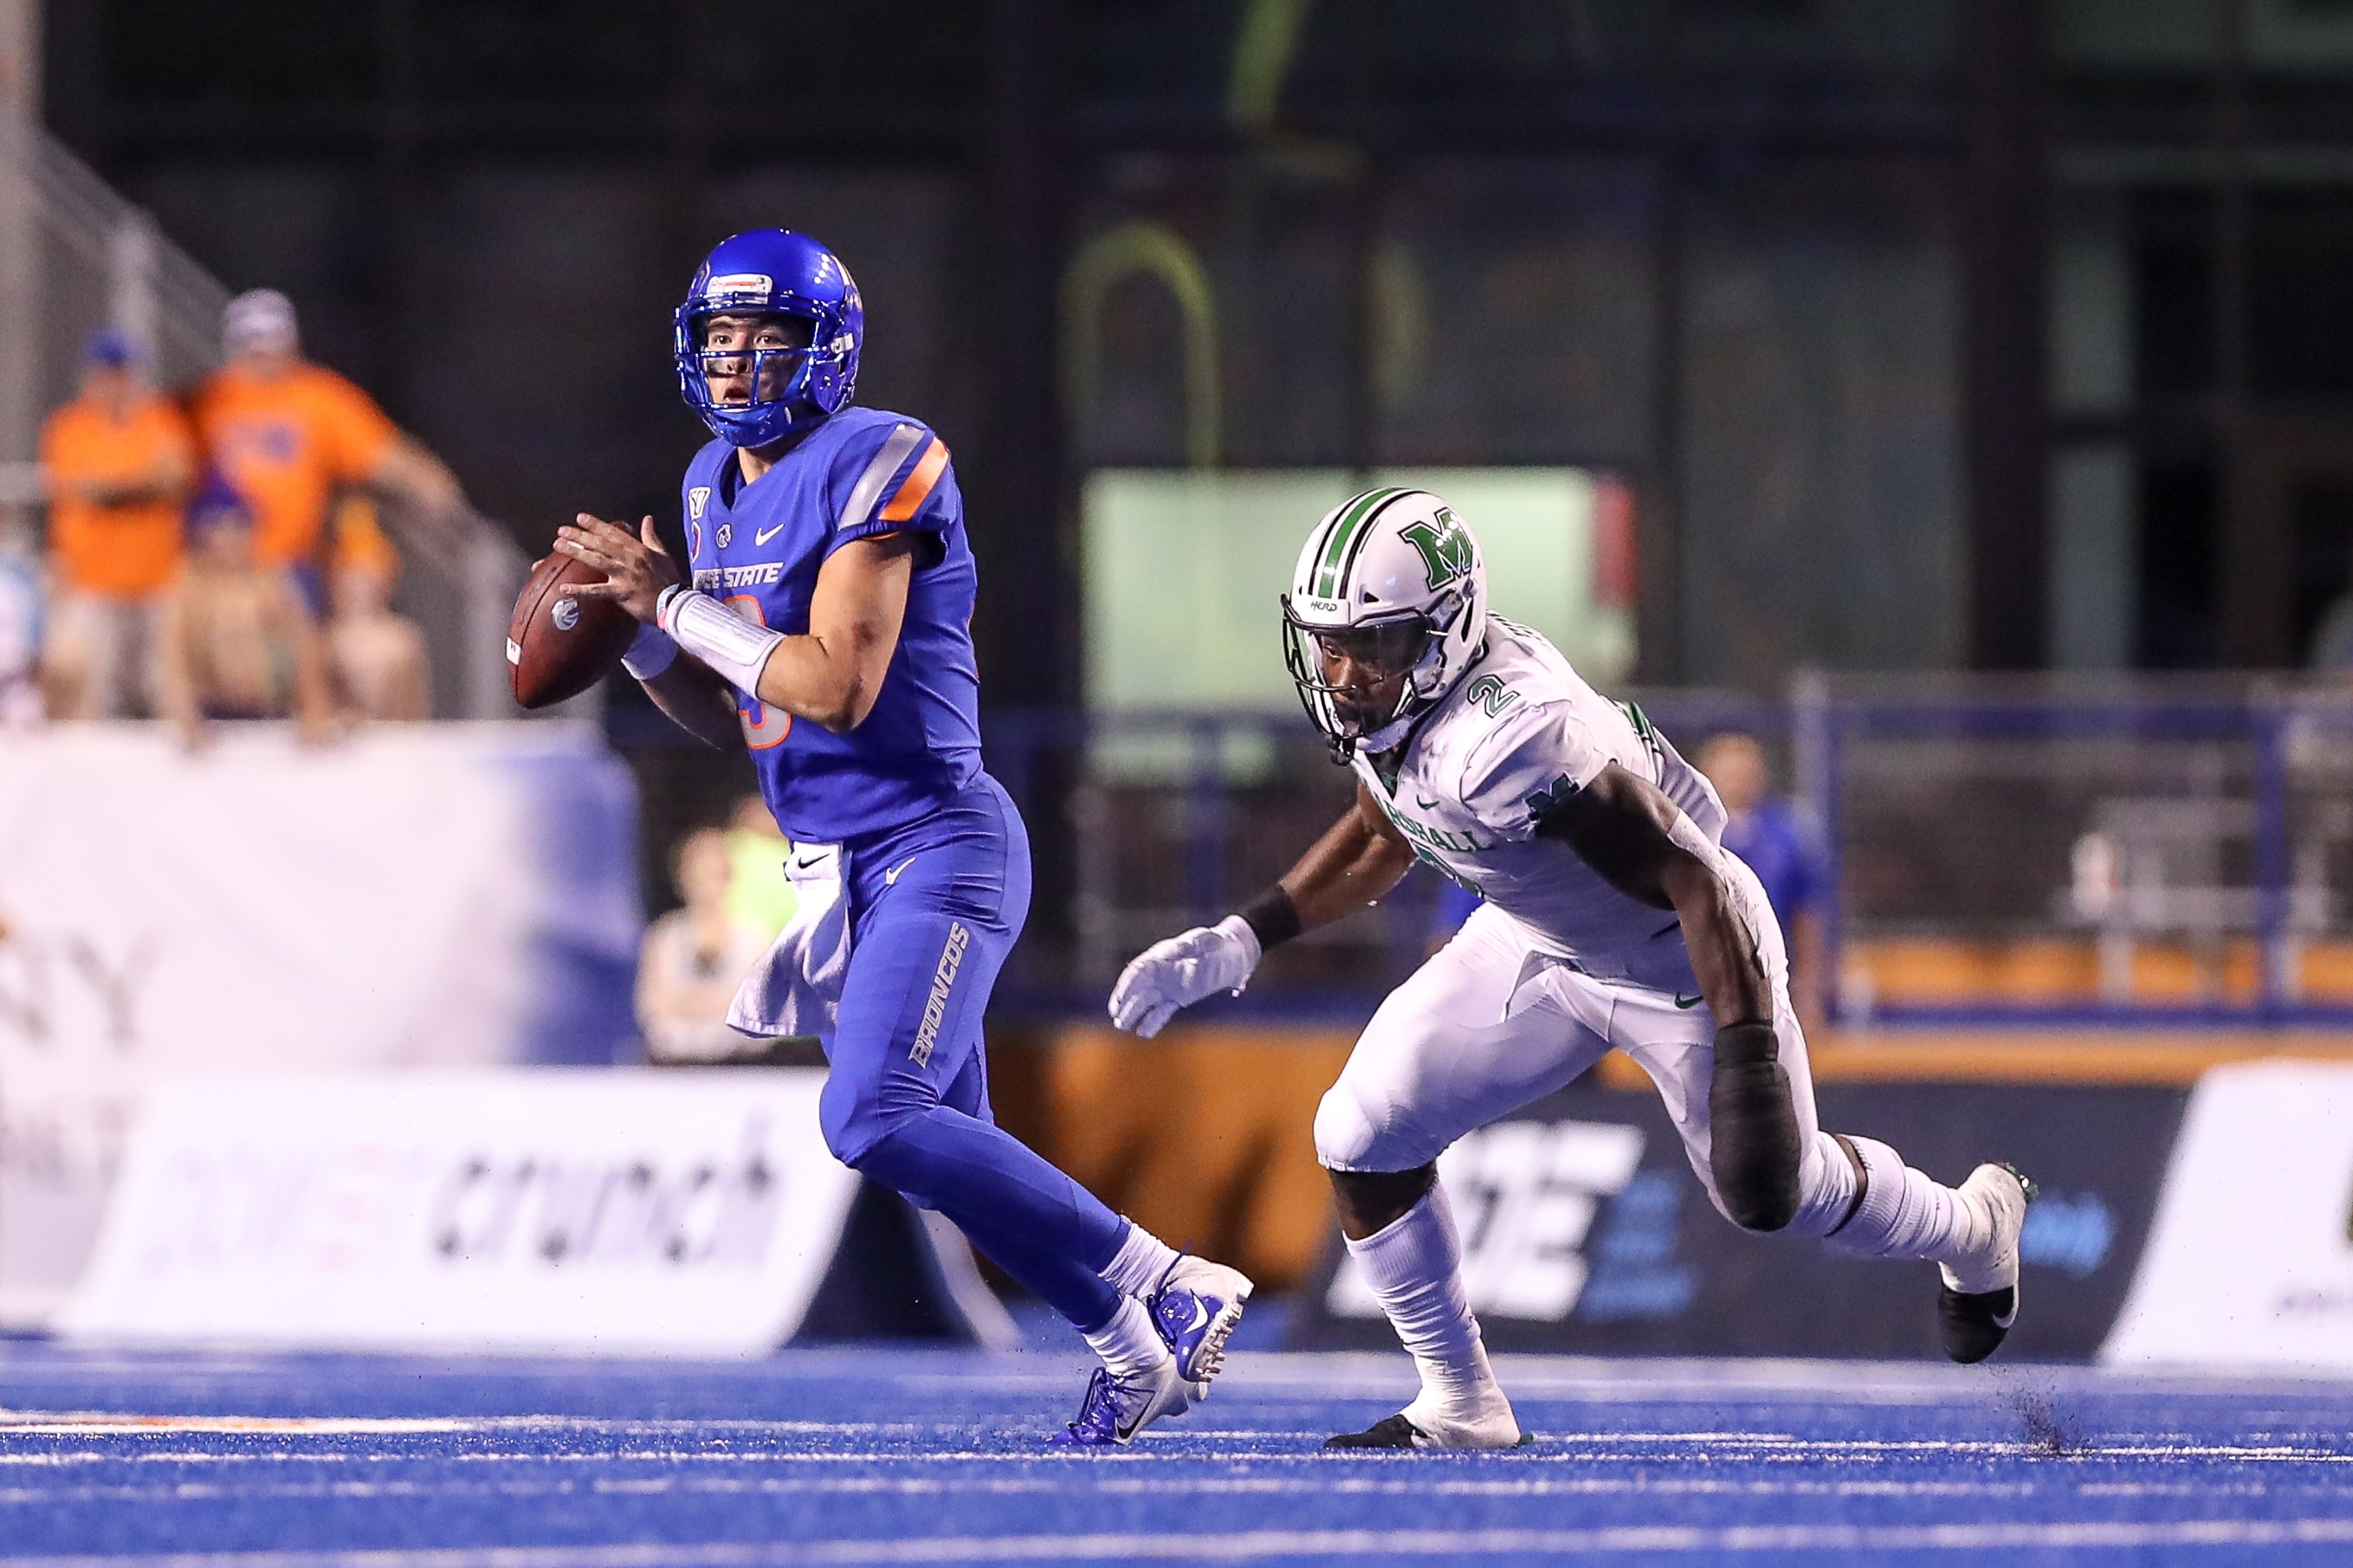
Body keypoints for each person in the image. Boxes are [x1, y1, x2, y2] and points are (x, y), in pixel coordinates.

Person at [1110, 490, 2034, 1449]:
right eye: (1330, 643)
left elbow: (1695, 879)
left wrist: (1748, 1042)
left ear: (1444, 634)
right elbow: (1386, 823)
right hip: (1536, 936)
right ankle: (1459, 1400)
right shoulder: (1411, 692)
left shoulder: (1510, 738)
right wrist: (1243, 935)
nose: (1343, 674)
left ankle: (1970, 1225)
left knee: (1770, 1191)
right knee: (1357, 1130)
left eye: (1372, 646)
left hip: (1677, 944)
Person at [552, 229, 1251, 1447]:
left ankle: (1165, 1274)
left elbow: (832, 688)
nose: (737, 361)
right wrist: (651, 638)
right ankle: (1130, 1346)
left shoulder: (884, 455)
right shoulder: (710, 486)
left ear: (825, 347)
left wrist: (674, 602)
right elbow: (739, 715)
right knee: (949, 1152)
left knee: (870, 1112)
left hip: (936, 839)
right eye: (719, 335)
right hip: (843, 872)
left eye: (767, 334)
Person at [191, 289, 468, 613]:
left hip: (289, 567)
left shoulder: (318, 397)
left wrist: (432, 486)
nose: (262, 355)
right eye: (252, 342)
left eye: (271, 342)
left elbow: (382, 454)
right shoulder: (205, 401)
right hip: (215, 570)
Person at [36, 329, 197, 719]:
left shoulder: (161, 419)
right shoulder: (69, 426)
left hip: (158, 581)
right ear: (89, 377)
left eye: (122, 373)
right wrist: (144, 483)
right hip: (93, 583)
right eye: (106, 373)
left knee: (164, 694)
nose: (114, 383)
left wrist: (118, 487)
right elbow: (88, 490)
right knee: (88, 697)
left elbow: (173, 478)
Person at [158, 471, 337, 748]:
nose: (233, 537)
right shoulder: (188, 583)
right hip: (213, 706)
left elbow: (304, 648)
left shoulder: (272, 579)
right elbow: (173, 655)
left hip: (272, 706)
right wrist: (183, 714)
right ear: (203, 533)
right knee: (234, 612)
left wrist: (315, 710)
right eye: (222, 527)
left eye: (240, 526)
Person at [1696, 732, 1830, 1038]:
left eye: (1746, 772)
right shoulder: (1688, 828)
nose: (1738, 781)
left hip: (1769, 980)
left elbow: (1807, 916)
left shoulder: (1787, 835)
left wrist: (1808, 992)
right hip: (1696, 984)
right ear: (1707, 773)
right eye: (1730, 773)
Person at [637, 826, 779, 1063]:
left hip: (743, 1067)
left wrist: (689, 1003)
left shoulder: (756, 936)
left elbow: (759, 1010)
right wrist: (718, 1002)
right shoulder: (664, 936)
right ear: (682, 878)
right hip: (675, 1066)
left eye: (716, 874)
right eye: (698, 874)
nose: (707, 885)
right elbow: (653, 1006)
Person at [323, 496, 431, 719]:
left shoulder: (403, 639)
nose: (357, 587)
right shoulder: (324, 640)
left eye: (366, 578)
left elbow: (415, 713)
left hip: (393, 744)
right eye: (350, 576)